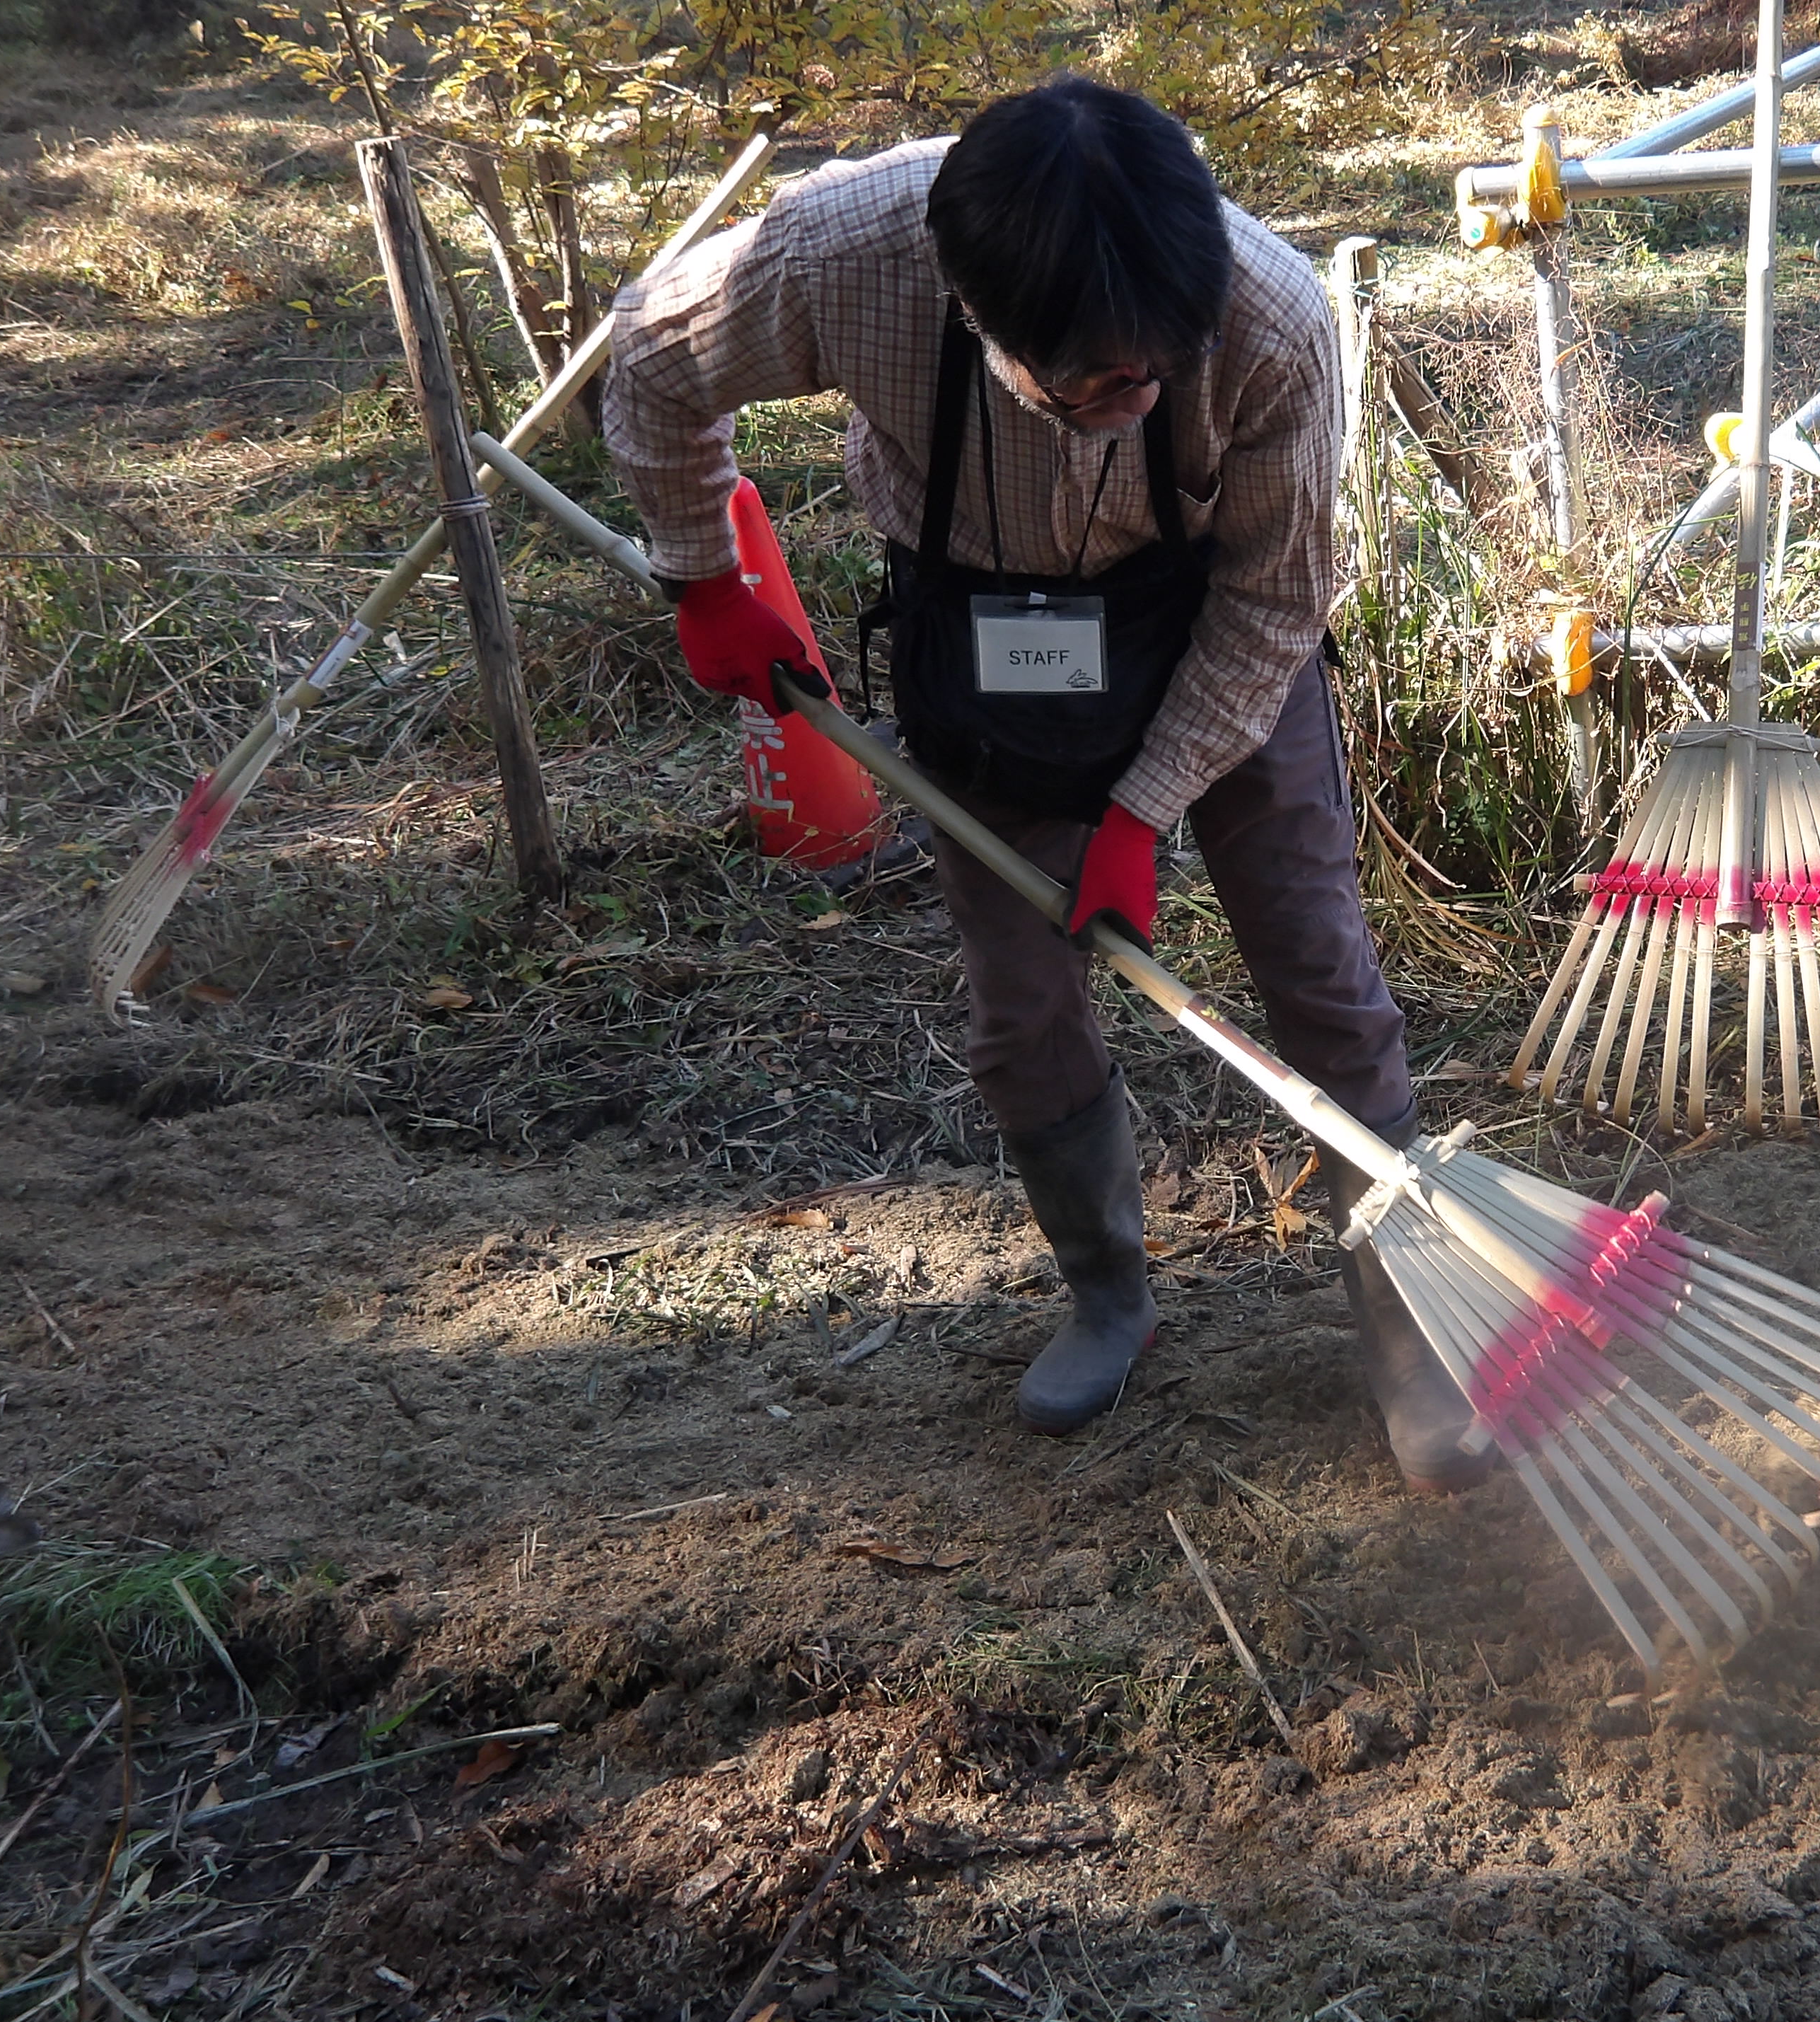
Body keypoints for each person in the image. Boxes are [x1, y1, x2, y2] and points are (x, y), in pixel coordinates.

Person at [603, 75, 1483, 1490]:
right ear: (973, 309)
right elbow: (649, 359)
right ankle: (1109, 1296)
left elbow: (1273, 606)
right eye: (1085, 383)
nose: (1124, 401)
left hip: (1209, 632)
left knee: (1319, 973)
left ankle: (1410, 1333)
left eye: (1149, 373)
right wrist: (700, 575)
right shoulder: (842, 260)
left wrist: (1141, 814)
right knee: (1021, 1008)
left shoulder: (1269, 322)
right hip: (984, 638)